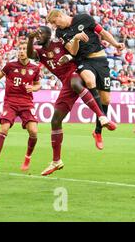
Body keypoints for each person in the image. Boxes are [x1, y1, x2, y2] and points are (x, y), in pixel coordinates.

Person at [27, 26, 116, 176]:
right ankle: (56, 161)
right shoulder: (40, 53)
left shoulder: (60, 43)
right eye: (37, 34)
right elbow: (30, 54)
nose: (38, 36)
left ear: (49, 34)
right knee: (55, 120)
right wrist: (30, 39)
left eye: (40, 33)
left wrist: (69, 57)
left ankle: (101, 116)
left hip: (77, 72)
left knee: (75, 83)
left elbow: (76, 53)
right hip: (66, 83)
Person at [47, 9, 124, 152]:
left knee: (106, 100)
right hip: (83, 61)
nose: (54, 26)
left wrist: (115, 44)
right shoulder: (60, 33)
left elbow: (102, 32)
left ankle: (98, 132)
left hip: (101, 60)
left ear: (59, 16)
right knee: (89, 81)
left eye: (53, 22)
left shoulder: (84, 18)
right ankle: (102, 117)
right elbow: (73, 51)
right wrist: (75, 38)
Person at [0, 42, 41, 173]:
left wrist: (32, 88)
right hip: (10, 102)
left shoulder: (35, 68)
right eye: (19, 49)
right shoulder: (10, 66)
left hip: (27, 103)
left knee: (33, 131)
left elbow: (38, 85)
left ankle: (27, 158)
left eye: (24, 49)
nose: (21, 51)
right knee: (4, 129)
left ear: (29, 51)